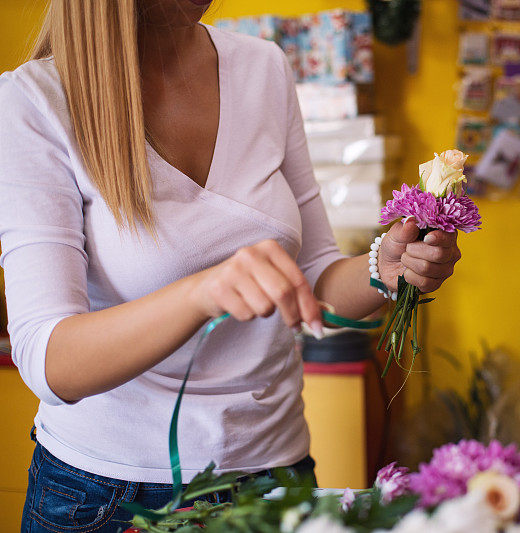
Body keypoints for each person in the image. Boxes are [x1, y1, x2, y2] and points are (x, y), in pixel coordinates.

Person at [0, 1, 461, 531]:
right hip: (110, 496)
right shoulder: (34, 102)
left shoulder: (264, 68)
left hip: (275, 474)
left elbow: (313, 277)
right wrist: (203, 293)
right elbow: (48, 360)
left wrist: (385, 267)